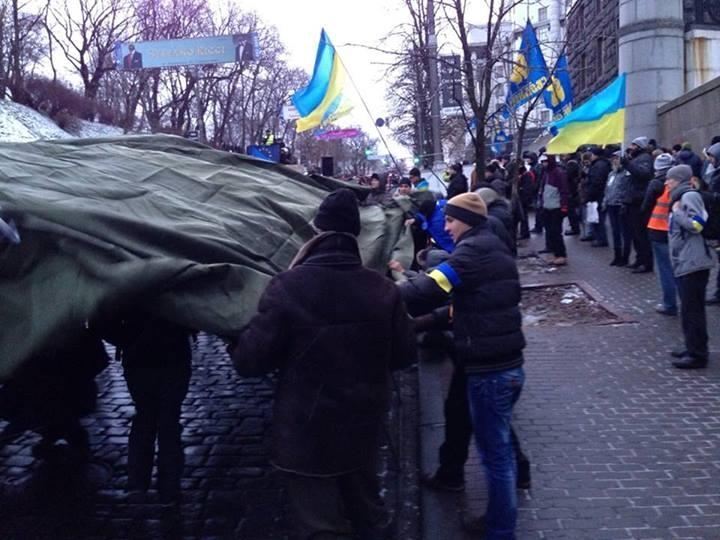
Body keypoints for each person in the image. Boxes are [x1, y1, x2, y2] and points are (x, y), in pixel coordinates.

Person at [231, 188, 416, 539]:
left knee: (320, 528)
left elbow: (250, 361)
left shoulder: (287, 286)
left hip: (305, 434)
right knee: (370, 516)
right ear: (355, 234)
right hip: (362, 427)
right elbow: (405, 355)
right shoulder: (382, 289)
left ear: (317, 231)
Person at [397, 192, 526, 538]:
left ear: (466, 220)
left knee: (494, 456)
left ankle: (500, 531)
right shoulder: (493, 245)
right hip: (504, 363)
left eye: (451, 220)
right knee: (499, 448)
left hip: (489, 371)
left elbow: (430, 288)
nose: (448, 227)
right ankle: (501, 517)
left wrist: (384, 293)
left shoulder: (471, 252)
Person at [104, 315, 193, 503]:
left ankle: (138, 485)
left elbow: (103, 321)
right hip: (172, 351)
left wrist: (126, 338)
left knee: (145, 418)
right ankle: (168, 488)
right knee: (168, 422)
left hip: (139, 355)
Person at [665, 165, 715, 369]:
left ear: (678, 180)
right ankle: (691, 346)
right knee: (688, 309)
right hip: (685, 261)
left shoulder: (689, 197)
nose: (666, 182)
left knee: (693, 309)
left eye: (670, 179)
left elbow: (697, 224)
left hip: (694, 261)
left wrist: (677, 213)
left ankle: (698, 354)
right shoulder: (680, 197)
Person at [641, 153, 677, 315]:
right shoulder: (682, 183)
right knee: (680, 268)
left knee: (665, 269)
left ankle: (669, 304)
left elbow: (646, 206)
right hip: (677, 232)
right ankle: (686, 301)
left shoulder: (655, 183)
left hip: (658, 230)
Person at [623, 136, 655, 273]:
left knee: (642, 235)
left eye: (634, 145)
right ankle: (639, 259)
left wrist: (628, 164)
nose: (631, 147)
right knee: (636, 234)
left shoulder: (645, 159)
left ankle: (646, 263)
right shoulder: (636, 159)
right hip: (632, 200)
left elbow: (643, 174)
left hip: (639, 201)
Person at [604, 150, 634, 266]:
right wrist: (605, 201)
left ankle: (625, 257)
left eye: (617, 158)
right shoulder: (611, 174)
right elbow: (607, 189)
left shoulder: (627, 174)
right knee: (615, 232)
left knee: (625, 233)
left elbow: (628, 189)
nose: (615, 161)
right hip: (611, 205)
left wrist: (624, 202)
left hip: (621, 206)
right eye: (613, 159)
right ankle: (617, 256)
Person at [540, 154, 569, 265]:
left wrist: (564, 206)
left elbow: (564, 191)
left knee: (556, 232)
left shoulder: (558, 173)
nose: (544, 164)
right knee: (550, 232)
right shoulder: (546, 173)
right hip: (547, 206)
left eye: (545, 162)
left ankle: (561, 255)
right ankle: (556, 254)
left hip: (556, 207)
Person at [584, 147, 612, 247]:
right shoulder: (601, 164)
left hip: (597, 195)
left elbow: (597, 181)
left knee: (598, 218)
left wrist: (590, 194)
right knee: (597, 217)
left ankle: (601, 239)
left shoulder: (599, 165)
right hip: (598, 194)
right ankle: (598, 238)